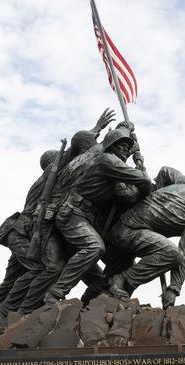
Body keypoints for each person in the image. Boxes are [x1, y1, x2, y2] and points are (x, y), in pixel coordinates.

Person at [43, 126, 152, 304]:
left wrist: (139, 165)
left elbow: (128, 196)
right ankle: (55, 294)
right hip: (73, 213)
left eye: (127, 145)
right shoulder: (107, 160)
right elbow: (144, 181)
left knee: (121, 257)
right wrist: (141, 171)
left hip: (86, 218)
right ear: (111, 145)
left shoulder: (114, 167)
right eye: (121, 144)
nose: (125, 148)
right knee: (95, 247)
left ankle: (94, 299)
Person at [107, 166, 185, 308]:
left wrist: (155, 191)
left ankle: (111, 295)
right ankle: (123, 279)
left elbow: (165, 171)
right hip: (128, 233)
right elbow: (183, 254)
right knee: (172, 254)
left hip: (123, 227)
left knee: (109, 288)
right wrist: (174, 289)